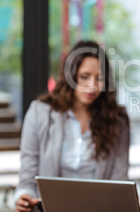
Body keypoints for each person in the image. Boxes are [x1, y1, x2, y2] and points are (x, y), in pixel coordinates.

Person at [14, 40, 130, 212]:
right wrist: (24, 197)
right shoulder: (40, 113)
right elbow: (28, 175)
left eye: (99, 79)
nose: (92, 86)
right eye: (84, 76)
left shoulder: (117, 120)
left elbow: (119, 182)